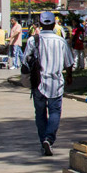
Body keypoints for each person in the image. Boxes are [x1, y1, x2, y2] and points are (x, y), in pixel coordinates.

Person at [24, 10, 74, 156]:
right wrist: (70, 76)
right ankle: (48, 138)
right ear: (53, 24)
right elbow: (69, 62)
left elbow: (25, 61)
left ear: (39, 23)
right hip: (56, 83)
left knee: (40, 113)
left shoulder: (33, 40)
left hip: (38, 82)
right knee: (54, 112)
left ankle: (43, 141)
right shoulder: (61, 41)